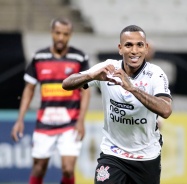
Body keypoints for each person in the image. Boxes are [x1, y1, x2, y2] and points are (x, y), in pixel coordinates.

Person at [62, 25, 172, 184]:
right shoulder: (108, 68)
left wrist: (132, 88)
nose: (134, 50)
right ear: (120, 48)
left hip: (146, 156)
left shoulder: (156, 74)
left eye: (139, 45)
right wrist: (90, 75)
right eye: (128, 45)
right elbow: (66, 84)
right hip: (113, 154)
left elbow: (166, 110)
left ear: (146, 48)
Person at [11, 18, 90, 184]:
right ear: (51, 33)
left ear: (71, 35)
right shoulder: (39, 57)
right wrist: (20, 120)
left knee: (68, 169)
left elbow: (86, 92)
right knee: (39, 168)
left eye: (65, 34)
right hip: (45, 122)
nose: (61, 37)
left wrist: (81, 120)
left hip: (70, 122)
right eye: (58, 33)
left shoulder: (79, 57)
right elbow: (29, 89)